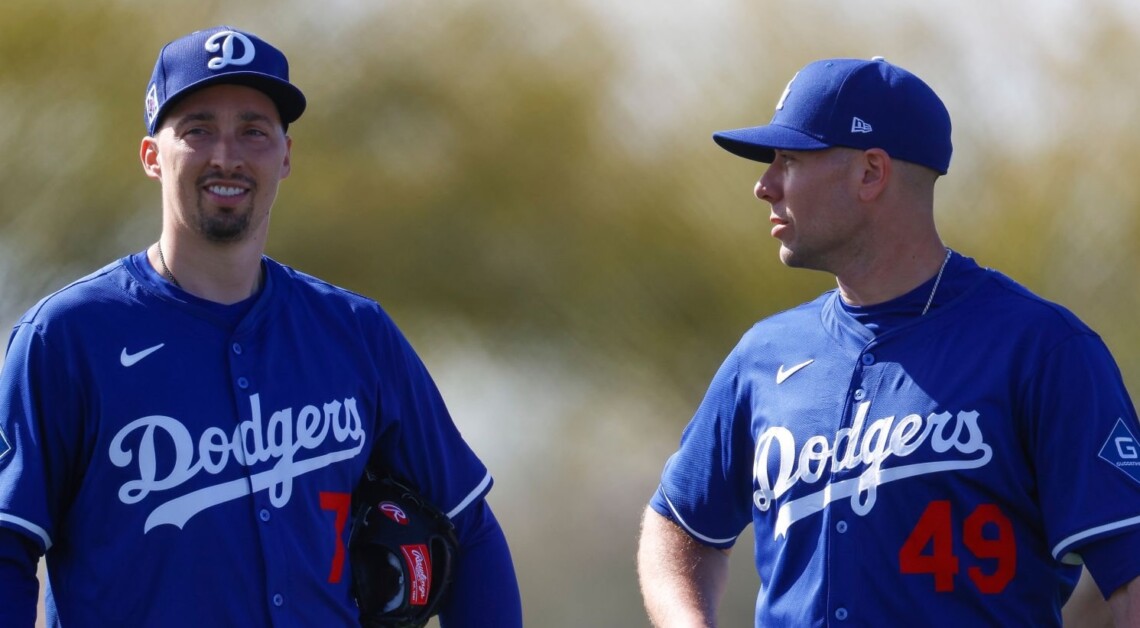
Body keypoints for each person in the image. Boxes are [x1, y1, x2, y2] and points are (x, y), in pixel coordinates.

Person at [0, 25, 522, 627]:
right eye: (197, 130)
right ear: (152, 155)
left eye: (253, 130)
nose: (227, 156)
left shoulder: (355, 332)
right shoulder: (67, 338)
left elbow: (469, 528)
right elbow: (9, 546)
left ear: (286, 155)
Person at [636, 56, 1140, 626]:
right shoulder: (763, 354)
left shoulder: (1041, 350)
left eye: (790, 160)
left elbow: (1131, 580)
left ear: (871, 173)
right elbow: (676, 523)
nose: (764, 185)